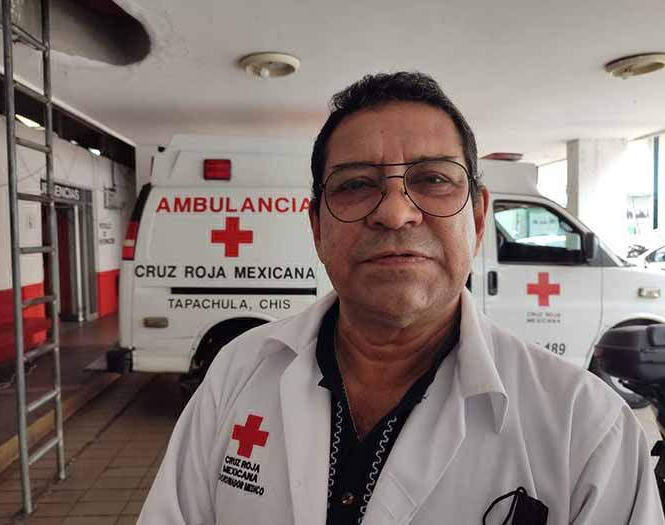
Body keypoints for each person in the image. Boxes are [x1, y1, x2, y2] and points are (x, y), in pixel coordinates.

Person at [138, 72, 664, 524]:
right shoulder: (237, 375)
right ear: (317, 227)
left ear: (478, 218)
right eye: (355, 185)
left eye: (432, 179)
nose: (394, 212)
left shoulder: (585, 428)